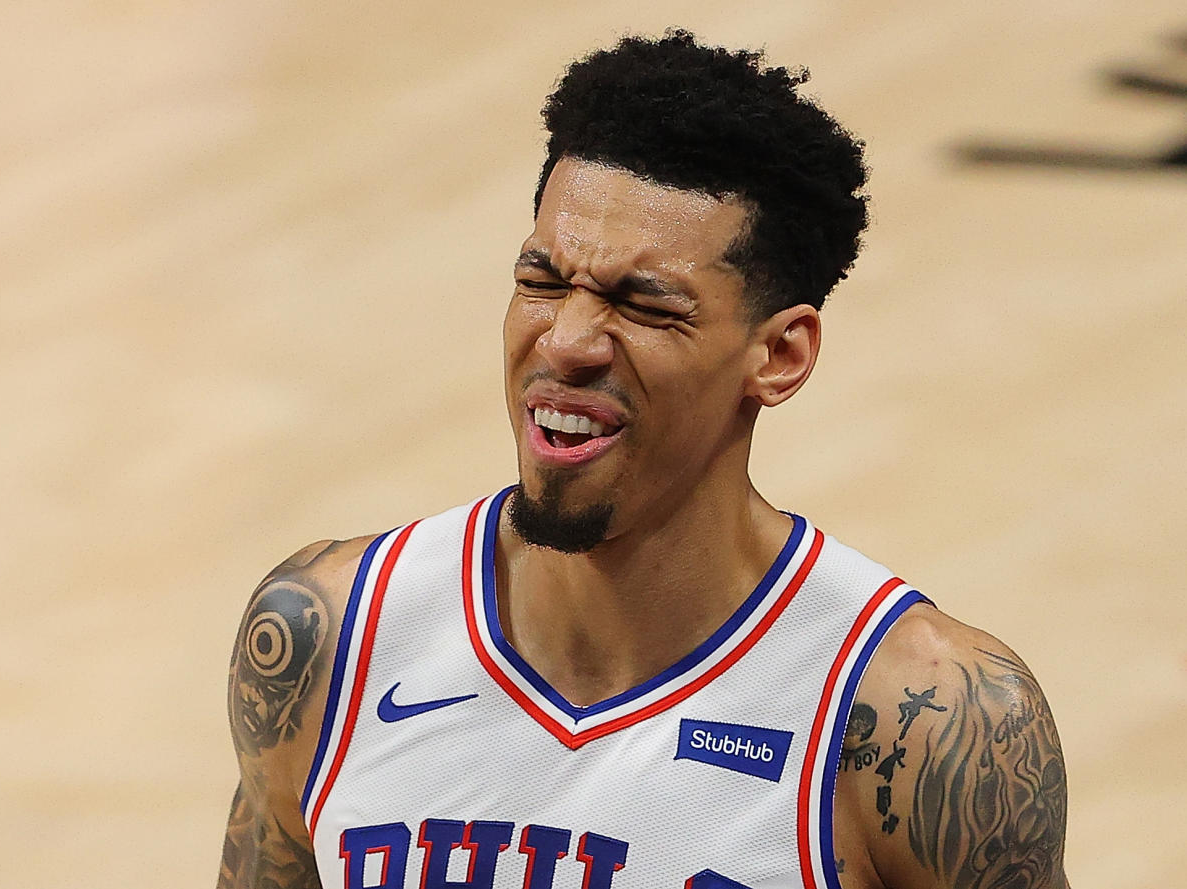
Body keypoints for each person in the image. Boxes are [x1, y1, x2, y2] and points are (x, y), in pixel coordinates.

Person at [217, 30, 1070, 889]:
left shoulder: (920, 722)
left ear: (779, 356)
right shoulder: (329, 638)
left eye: (642, 304)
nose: (569, 340)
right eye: (543, 282)